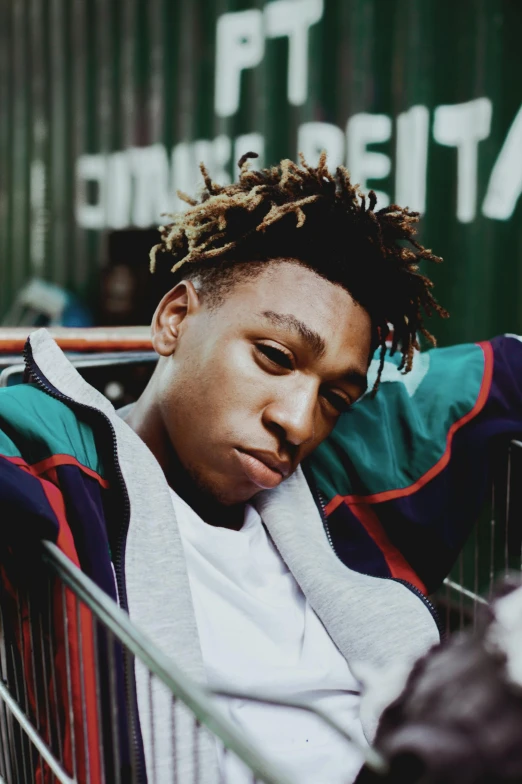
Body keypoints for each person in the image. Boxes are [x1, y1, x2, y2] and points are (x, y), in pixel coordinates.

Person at [1, 152, 522, 783]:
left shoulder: (344, 472)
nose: (300, 423)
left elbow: (504, 369)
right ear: (174, 319)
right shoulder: (54, 458)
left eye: (336, 396)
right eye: (275, 357)